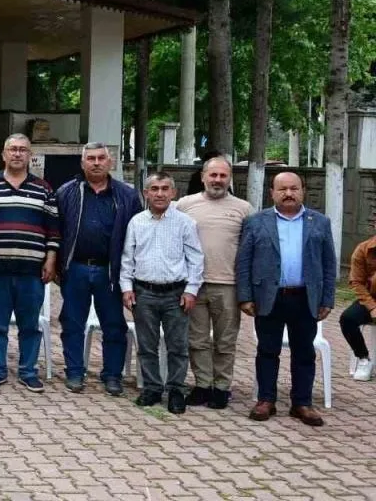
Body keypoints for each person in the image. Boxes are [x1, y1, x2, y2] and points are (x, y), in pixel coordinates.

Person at [237, 172, 335, 427]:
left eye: (294, 188)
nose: (288, 193)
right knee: (267, 350)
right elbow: (244, 262)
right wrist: (245, 296)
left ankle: (302, 403)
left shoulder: (320, 222)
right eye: (282, 189)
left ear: (303, 191)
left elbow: (329, 264)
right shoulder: (256, 222)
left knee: (304, 353)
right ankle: (266, 400)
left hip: (305, 298)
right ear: (272, 192)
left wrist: (327, 299)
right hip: (269, 297)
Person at [0, 133, 60, 392]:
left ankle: (28, 372)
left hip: (32, 270)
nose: (18, 153)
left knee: (29, 325)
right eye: (13, 149)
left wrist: (51, 259)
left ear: (30, 155)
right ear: (3, 154)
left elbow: (53, 229)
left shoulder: (44, 189)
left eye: (23, 149)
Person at [55, 142, 142, 396]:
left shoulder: (127, 195)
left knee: (114, 324)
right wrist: (58, 265)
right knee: (72, 323)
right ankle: (74, 372)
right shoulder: (66, 192)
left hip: (111, 271)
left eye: (101, 158)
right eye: (90, 158)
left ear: (110, 162)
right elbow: (56, 232)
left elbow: (137, 234)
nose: (96, 163)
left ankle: (112, 375)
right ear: (82, 163)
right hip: (76, 268)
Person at [120, 172, 204, 414]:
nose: (159, 193)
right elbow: (128, 258)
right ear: (146, 193)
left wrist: (191, 290)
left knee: (177, 346)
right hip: (144, 292)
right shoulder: (136, 222)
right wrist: (127, 288)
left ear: (173, 193)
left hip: (175, 294)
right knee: (147, 345)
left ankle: (176, 389)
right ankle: (152, 388)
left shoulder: (185, 223)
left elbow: (195, 259)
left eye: (165, 188)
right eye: (154, 189)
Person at [175, 155, 252, 409]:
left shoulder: (244, 209)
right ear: (203, 177)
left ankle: (221, 388)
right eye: (213, 175)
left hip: (228, 285)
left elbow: (250, 250)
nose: (217, 180)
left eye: (223, 176)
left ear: (230, 179)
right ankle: (202, 385)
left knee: (225, 341)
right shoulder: (184, 205)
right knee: (196, 340)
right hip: (193, 285)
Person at [342, 229, 376, 381]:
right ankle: (363, 359)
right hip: (371, 297)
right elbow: (356, 282)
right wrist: (372, 307)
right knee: (348, 318)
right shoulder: (363, 249)